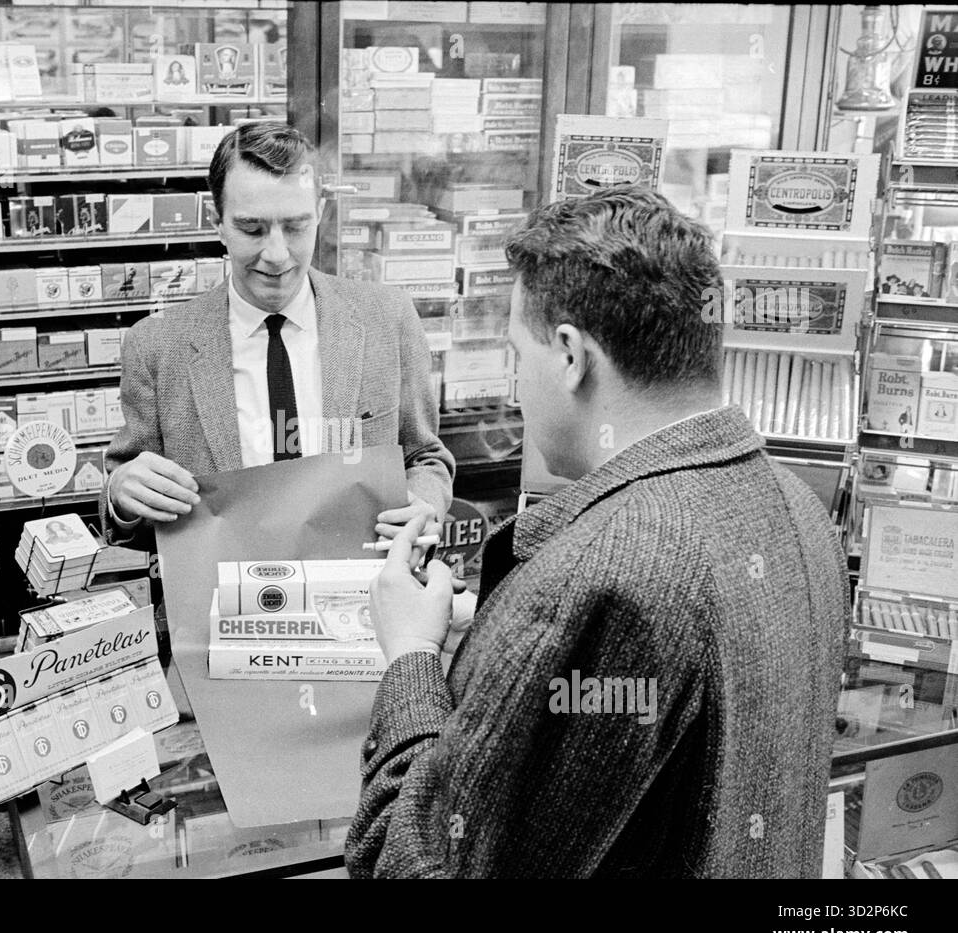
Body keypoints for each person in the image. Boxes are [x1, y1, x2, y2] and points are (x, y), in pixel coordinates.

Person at [347, 186, 849, 878]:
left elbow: (414, 863)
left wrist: (411, 656)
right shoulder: (799, 509)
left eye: (517, 356)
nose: (518, 388)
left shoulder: (608, 573)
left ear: (570, 355)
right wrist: (497, 641)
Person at [102, 122, 454, 553]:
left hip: (360, 599)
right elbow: (127, 500)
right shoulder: (157, 346)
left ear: (320, 214)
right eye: (252, 229)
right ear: (218, 224)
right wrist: (123, 495)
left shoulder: (388, 319)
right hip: (222, 604)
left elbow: (425, 458)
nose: (276, 254)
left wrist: (425, 505)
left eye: (296, 226)